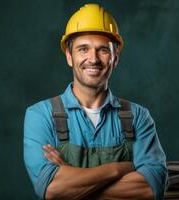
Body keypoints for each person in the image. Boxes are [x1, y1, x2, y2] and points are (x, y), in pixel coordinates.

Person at [23, 3, 168, 200]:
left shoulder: (138, 116)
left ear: (115, 59)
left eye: (103, 50)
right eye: (83, 49)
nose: (93, 59)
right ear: (69, 56)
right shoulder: (40, 115)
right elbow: (52, 190)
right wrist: (120, 169)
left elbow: (151, 188)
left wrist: (72, 181)